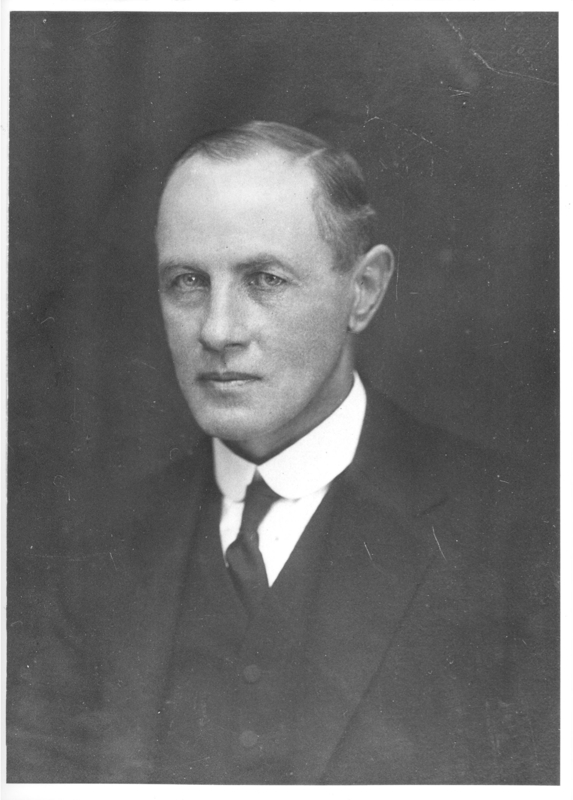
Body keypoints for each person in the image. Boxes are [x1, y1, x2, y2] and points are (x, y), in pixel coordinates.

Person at [8, 122, 558, 785]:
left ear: (364, 290)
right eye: (187, 281)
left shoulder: (522, 536)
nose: (217, 330)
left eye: (264, 279)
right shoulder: (89, 551)